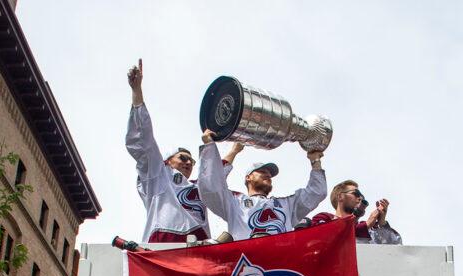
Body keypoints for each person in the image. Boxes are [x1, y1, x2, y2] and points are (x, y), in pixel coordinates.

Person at [126, 59, 243, 243]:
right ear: (166, 161)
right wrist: (136, 92)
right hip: (163, 246)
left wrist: (235, 150)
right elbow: (144, 141)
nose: (189, 162)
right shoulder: (157, 176)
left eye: (192, 161)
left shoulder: (200, 187)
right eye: (183, 158)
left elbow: (216, 171)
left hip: (197, 249)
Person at [198, 128, 326, 240]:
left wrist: (315, 161)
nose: (268, 175)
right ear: (248, 177)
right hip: (246, 263)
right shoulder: (234, 202)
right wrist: (211, 146)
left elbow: (316, 193)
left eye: (270, 174)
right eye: (261, 171)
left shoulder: (287, 205)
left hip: (278, 264)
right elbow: (211, 186)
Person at [309, 180, 401, 244]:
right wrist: (365, 226)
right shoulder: (324, 218)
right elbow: (322, 237)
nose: (360, 198)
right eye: (356, 194)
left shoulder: (369, 228)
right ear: (340, 196)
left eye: (362, 196)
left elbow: (395, 246)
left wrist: (382, 223)